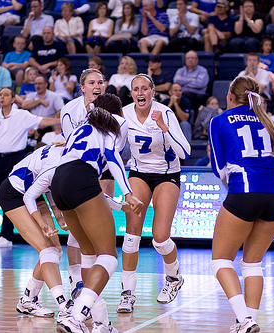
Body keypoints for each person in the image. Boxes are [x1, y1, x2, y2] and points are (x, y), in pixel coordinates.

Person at [53, 107, 144, 333]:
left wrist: (115, 203)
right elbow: (113, 157)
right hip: (81, 178)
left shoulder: (80, 128)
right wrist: (128, 192)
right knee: (109, 257)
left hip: (59, 182)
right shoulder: (111, 125)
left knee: (89, 254)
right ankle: (75, 317)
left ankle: (100, 323)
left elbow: (84, 186)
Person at [208, 75, 274, 333]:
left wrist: (238, 196)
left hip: (245, 189)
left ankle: (244, 319)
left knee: (221, 260)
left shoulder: (219, 120)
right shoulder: (267, 120)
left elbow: (219, 169)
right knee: (252, 263)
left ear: (230, 95)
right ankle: (248, 321)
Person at [117, 74, 191, 313]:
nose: (140, 93)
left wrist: (163, 128)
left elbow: (185, 152)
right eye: (136, 89)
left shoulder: (165, 113)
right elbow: (114, 146)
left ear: (152, 91)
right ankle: (127, 293)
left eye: (145, 89)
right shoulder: (124, 113)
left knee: (160, 238)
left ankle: (173, 277)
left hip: (167, 174)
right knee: (131, 237)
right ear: (132, 93)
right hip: (138, 172)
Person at [0, 87, 61, 248]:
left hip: (16, 160)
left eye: (6, 94)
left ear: (13, 99)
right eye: (0, 94)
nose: (2, 97)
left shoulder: (22, 115)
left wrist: (61, 119)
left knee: (10, 198)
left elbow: (42, 121)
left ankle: (6, 237)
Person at [0, 143, 68, 319]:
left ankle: (28, 300)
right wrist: (42, 223)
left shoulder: (64, 153)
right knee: (48, 251)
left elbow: (49, 185)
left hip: (35, 193)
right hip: (15, 194)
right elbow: (31, 194)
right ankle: (64, 305)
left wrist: (58, 214)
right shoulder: (59, 161)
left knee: (56, 252)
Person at [59, 69, 106, 294]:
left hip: (103, 168)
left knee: (98, 229)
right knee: (76, 231)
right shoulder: (70, 111)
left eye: (100, 82)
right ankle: (76, 280)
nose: (97, 86)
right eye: (92, 83)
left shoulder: (110, 107)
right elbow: (72, 146)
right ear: (83, 87)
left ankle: (90, 280)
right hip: (78, 170)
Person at [173, 50, 209, 116]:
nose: (190, 60)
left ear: (197, 60)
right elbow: (176, 81)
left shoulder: (202, 70)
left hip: (198, 95)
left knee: (200, 98)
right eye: (188, 58)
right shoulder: (180, 70)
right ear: (185, 60)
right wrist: (191, 79)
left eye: (192, 58)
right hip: (184, 95)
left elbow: (200, 84)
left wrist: (183, 82)